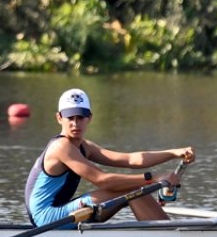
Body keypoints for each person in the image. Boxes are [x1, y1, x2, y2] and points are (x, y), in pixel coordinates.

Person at [25, 88, 193, 227]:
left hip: (61, 210)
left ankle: (165, 235)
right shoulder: (61, 147)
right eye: (70, 118)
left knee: (134, 190)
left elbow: (131, 160)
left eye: (81, 117)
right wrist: (154, 179)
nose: (75, 124)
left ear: (89, 118)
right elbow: (103, 180)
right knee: (132, 189)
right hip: (45, 218)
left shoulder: (85, 146)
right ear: (59, 118)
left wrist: (174, 153)